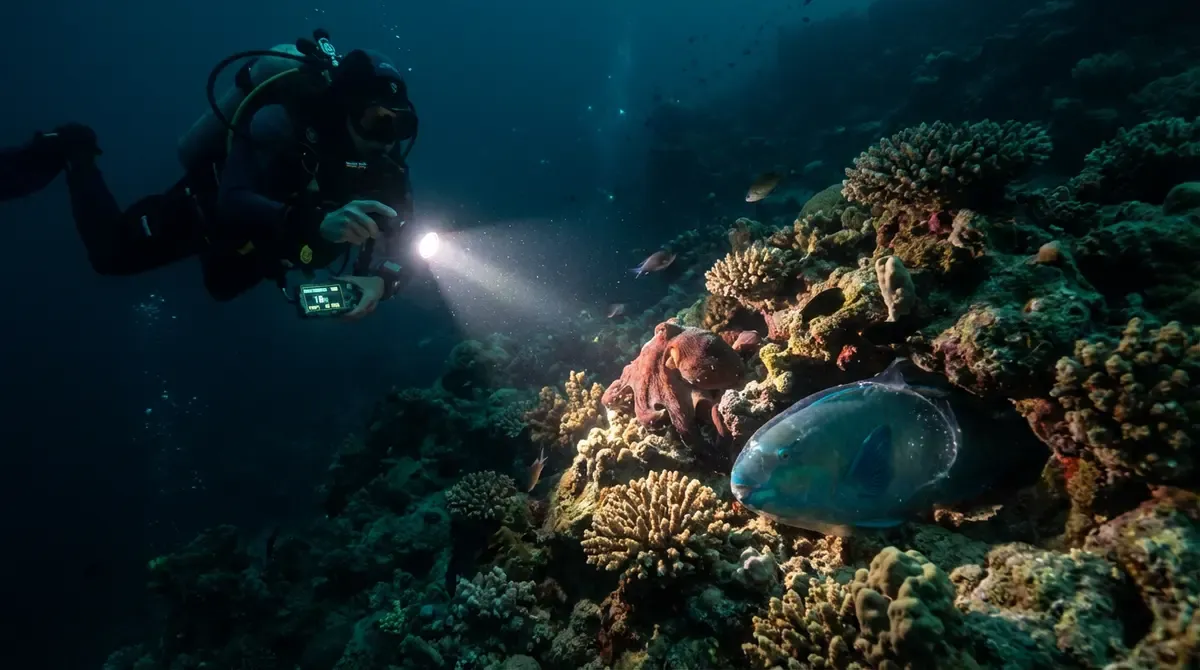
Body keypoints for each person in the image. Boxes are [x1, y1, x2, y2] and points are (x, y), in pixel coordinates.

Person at [0, 45, 420, 318]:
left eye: (397, 126)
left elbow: (410, 241)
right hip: (208, 211)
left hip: (264, 245)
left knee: (221, 285)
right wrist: (312, 222)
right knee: (111, 256)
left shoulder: (386, 168)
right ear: (347, 106)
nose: (384, 139)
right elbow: (233, 199)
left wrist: (380, 281)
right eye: (375, 119)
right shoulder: (282, 121)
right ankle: (75, 148)